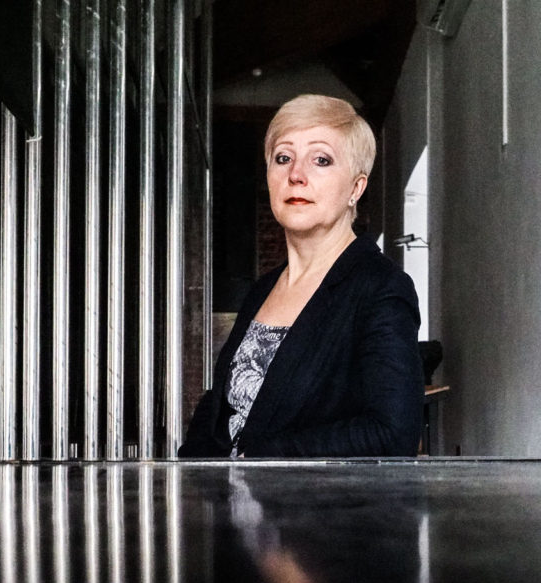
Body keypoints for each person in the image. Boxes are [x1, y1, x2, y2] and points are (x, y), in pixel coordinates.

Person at [178, 94, 422, 458]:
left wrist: (257, 460)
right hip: (225, 494)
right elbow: (220, 407)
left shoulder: (380, 288)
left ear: (356, 188)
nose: (296, 175)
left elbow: (391, 434)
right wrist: (190, 473)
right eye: (283, 158)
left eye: (321, 160)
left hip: (307, 497)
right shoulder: (263, 289)